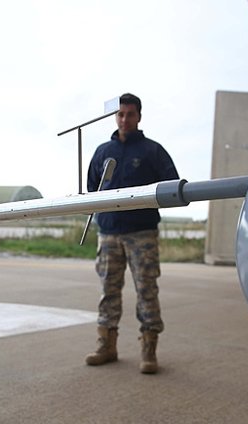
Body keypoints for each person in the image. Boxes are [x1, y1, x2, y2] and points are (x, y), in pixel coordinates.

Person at [84, 93, 180, 374]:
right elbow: (92, 189)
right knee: (108, 290)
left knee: (147, 290)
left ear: (139, 116)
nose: (125, 119)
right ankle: (107, 345)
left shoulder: (153, 151)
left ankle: (149, 349)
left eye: (130, 114)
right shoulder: (102, 152)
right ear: (116, 117)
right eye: (121, 114)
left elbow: (171, 185)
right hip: (109, 233)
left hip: (142, 234)